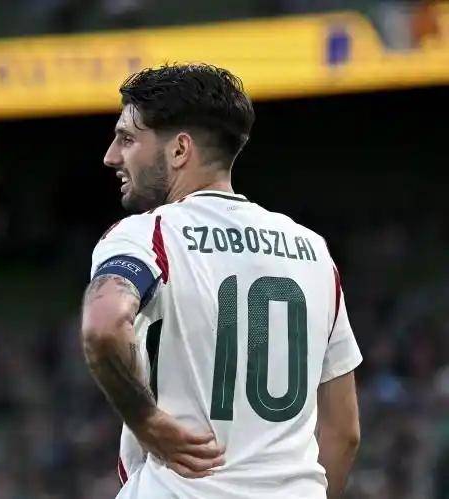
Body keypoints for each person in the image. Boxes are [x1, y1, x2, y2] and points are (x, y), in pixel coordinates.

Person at [80, 64, 362, 499]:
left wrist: (146, 420)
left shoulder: (148, 235)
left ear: (180, 150)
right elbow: (344, 433)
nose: (111, 156)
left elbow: (102, 326)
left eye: (128, 139)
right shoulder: (314, 252)